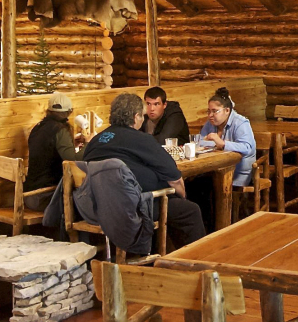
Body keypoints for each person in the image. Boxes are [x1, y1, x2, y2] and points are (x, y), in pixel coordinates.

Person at [83, 92, 207, 248]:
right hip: (132, 207)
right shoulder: (141, 139)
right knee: (189, 210)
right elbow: (175, 179)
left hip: (97, 207)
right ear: (136, 117)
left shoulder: (96, 140)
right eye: (142, 115)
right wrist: (182, 196)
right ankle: (193, 260)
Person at [195, 86, 258, 221]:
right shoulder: (210, 123)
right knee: (197, 185)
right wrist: (215, 143)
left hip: (239, 171)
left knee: (210, 188)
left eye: (214, 111)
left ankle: (225, 223)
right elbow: (200, 142)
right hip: (215, 169)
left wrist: (222, 144)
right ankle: (208, 225)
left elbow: (247, 147)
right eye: (208, 111)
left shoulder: (240, 123)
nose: (210, 115)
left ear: (227, 110)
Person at [24, 93, 77, 193]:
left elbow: (48, 149)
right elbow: (73, 160)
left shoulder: (37, 127)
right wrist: (88, 144)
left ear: (48, 111)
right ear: (70, 112)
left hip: (30, 191)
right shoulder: (60, 130)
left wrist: (71, 142)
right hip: (47, 194)